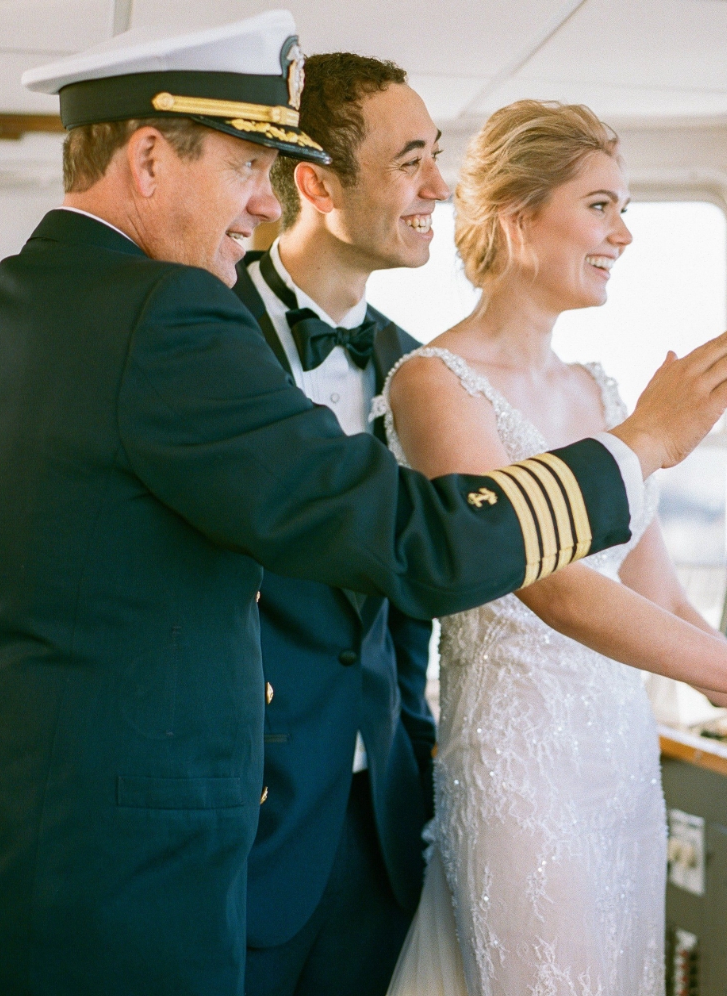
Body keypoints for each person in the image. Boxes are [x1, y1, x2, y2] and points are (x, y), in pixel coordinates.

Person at [0, 12, 727, 996]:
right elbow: (417, 542)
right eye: (243, 168)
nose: (261, 207)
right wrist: (636, 448)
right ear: (148, 158)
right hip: (124, 913)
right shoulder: (163, 315)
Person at [378, 101, 727, 995]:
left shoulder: (599, 392)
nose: (624, 234)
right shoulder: (434, 385)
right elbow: (546, 583)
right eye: (600, 206)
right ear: (519, 217)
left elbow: (660, 597)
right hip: (523, 780)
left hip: (622, 769)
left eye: (623, 207)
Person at [228, 54, 451, 996]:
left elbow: (411, 595)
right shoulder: (201, 340)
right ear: (316, 183)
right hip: (240, 822)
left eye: (436, 157)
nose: (440, 187)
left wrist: (416, 756)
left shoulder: (417, 369)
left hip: (379, 820)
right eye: (412, 161)